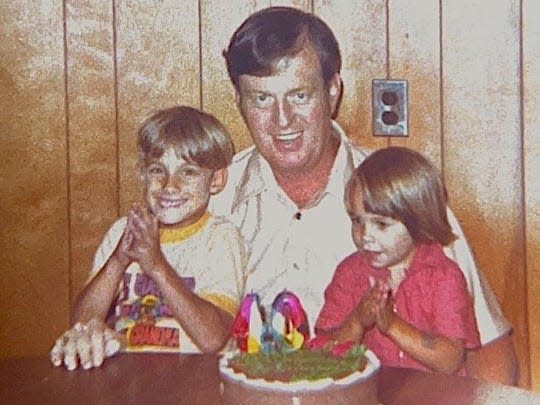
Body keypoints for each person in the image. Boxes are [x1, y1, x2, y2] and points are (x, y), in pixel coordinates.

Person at [210, 6, 518, 384]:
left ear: (333, 91)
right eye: (261, 100)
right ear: (238, 100)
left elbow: (487, 348)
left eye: (300, 96)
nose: (282, 120)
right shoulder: (208, 202)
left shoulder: (402, 197)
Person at [50, 106, 248, 370]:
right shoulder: (124, 231)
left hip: (196, 378)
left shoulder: (220, 238)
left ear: (216, 180)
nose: (169, 185)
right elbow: (82, 323)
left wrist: (155, 265)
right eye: (157, 170)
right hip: (126, 375)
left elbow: (212, 339)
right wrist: (118, 260)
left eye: (188, 172)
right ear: (142, 175)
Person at [313, 147, 480, 375]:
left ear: (418, 221)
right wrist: (357, 322)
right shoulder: (349, 273)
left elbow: (449, 360)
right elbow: (323, 357)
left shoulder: (443, 277)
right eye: (357, 221)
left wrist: (392, 325)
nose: (365, 235)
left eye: (381, 224)